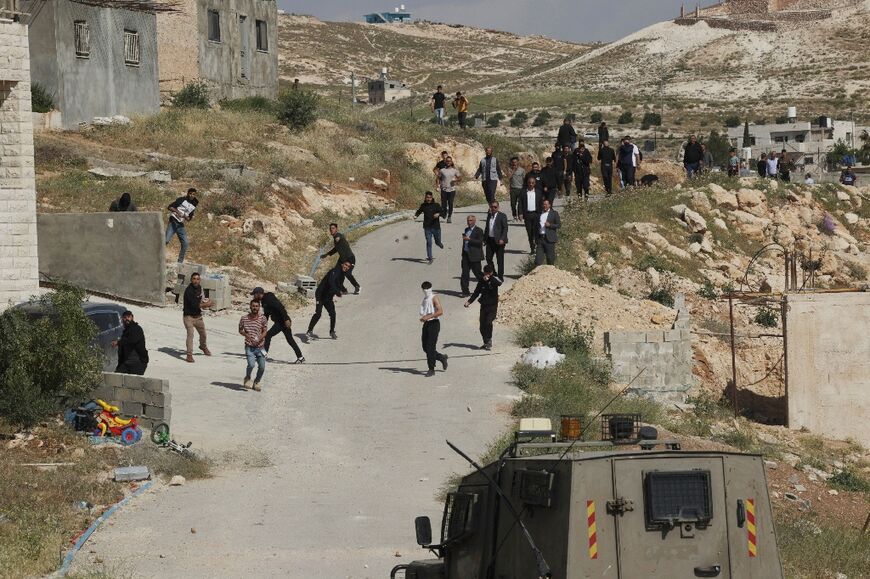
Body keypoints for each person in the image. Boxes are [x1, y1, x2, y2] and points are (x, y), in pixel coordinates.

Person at [251, 287, 305, 364]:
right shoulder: (263, 301)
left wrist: (286, 319)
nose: (253, 296)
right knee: (290, 340)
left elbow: (280, 307)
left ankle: (263, 355)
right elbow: (266, 314)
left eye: (254, 294)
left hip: (282, 321)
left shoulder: (269, 298)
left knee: (268, 335)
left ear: (259, 294)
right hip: (280, 321)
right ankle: (300, 357)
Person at [307, 261, 350, 339]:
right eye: (345, 265)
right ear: (342, 264)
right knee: (318, 313)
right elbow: (331, 282)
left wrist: (344, 290)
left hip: (328, 298)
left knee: (333, 314)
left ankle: (332, 332)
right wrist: (337, 292)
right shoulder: (334, 271)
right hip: (320, 295)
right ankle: (309, 331)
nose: (346, 267)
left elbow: (339, 284)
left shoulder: (342, 276)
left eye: (348, 267)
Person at [464, 264, 501, 350]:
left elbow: (500, 282)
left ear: (491, 272)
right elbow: (476, 292)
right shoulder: (481, 281)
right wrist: (469, 302)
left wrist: (490, 278)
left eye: (488, 273)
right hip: (484, 306)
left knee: (488, 322)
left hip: (492, 306)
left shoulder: (494, 279)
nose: (486, 274)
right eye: (485, 273)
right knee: (482, 325)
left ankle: (489, 340)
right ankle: (486, 342)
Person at [419, 281, 448, 377]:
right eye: (424, 289)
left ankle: (431, 369)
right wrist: (425, 318)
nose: (426, 291)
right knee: (425, 347)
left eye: (427, 289)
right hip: (427, 324)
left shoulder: (434, 298)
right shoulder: (425, 299)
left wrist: (428, 317)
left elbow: (440, 311)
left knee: (430, 347)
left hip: (434, 324)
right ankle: (441, 357)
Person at [239, 299, 268, 391]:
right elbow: (240, 330)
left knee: (262, 367)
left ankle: (257, 382)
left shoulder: (263, 318)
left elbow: (265, 331)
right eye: (253, 306)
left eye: (256, 306)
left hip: (260, 347)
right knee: (251, 365)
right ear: (250, 307)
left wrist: (260, 338)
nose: (255, 308)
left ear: (259, 307)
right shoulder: (244, 318)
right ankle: (247, 378)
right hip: (249, 347)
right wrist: (246, 335)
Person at [182, 272, 212, 363]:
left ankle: (203, 346)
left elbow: (202, 298)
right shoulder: (189, 291)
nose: (196, 281)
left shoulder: (200, 288)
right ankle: (189, 355)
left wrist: (207, 301)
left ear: (200, 280)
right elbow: (195, 305)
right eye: (194, 279)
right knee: (190, 335)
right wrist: (206, 305)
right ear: (191, 280)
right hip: (188, 317)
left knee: (203, 334)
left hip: (198, 317)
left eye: (197, 279)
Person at [165, 188, 199, 263]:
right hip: (173, 221)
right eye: (190, 193)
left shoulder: (194, 204)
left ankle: (180, 262)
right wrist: (177, 212)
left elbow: (189, 218)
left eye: (193, 194)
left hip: (180, 224)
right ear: (187, 193)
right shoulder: (182, 199)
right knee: (166, 240)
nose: (191, 195)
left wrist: (186, 217)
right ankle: (156, 254)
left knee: (185, 243)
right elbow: (170, 207)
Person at [325, 223, 360, 294]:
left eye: (333, 228)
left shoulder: (338, 236)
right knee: (335, 274)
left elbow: (339, 237)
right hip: (342, 260)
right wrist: (328, 254)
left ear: (337, 229)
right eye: (330, 228)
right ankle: (343, 290)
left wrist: (338, 238)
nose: (331, 230)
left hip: (350, 258)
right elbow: (336, 249)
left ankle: (357, 286)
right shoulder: (335, 239)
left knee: (347, 273)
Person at [112, 310, 148, 375]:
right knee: (116, 378)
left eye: (128, 317)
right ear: (122, 319)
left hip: (137, 362)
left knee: (134, 383)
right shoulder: (125, 331)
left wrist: (118, 342)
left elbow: (131, 340)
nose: (127, 319)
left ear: (132, 318)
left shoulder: (137, 329)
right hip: (125, 362)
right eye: (125, 317)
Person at [414, 191, 444, 264]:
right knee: (429, 242)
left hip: (436, 227)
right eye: (427, 197)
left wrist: (438, 214)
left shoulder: (436, 205)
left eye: (430, 197)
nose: (428, 199)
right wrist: (416, 215)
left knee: (437, 242)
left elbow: (443, 212)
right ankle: (430, 258)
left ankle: (439, 243)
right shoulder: (423, 205)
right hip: (427, 227)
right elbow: (419, 211)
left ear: (432, 197)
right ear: (425, 197)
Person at [460, 215, 484, 297]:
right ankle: (465, 291)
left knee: (478, 273)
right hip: (466, 255)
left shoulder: (479, 230)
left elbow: (480, 242)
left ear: (474, 221)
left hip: (475, 256)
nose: (469, 222)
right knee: (464, 274)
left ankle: (485, 287)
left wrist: (469, 239)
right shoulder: (466, 230)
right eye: (468, 220)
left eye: (470, 220)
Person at [484, 200, 508, 279]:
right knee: (488, 258)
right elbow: (487, 228)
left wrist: (502, 238)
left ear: (498, 207)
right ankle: (494, 274)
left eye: (495, 207)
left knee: (500, 260)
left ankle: (500, 277)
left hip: (499, 241)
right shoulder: (489, 215)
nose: (493, 208)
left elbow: (505, 228)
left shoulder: (502, 216)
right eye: (492, 207)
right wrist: (484, 239)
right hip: (490, 240)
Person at [519, 174, 543, 255]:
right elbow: (520, 204)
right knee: (529, 232)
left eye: (532, 183)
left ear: (535, 183)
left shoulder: (539, 192)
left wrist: (542, 214)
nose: (531, 184)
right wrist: (520, 213)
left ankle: (537, 247)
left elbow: (541, 204)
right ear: (527, 183)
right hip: (527, 215)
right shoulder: (523, 192)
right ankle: (532, 248)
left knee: (537, 232)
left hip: (536, 214)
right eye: (529, 183)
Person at [534, 198, 561, 266]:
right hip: (540, 239)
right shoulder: (539, 214)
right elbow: (535, 227)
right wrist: (535, 238)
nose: (544, 206)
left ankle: (550, 275)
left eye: (546, 204)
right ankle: (538, 274)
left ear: (549, 205)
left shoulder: (554, 213)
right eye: (543, 204)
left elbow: (559, 225)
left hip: (549, 239)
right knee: (538, 260)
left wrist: (550, 225)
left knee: (550, 259)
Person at [437, 156, 462, 223]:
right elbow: (438, 178)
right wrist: (438, 186)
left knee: (450, 203)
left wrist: (456, 180)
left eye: (449, 161)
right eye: (447, 161)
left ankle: (449, 217)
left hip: (452, 189)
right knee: (444, 204)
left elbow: (460, 178)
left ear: (451, 162)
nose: (448, 162)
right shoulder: (442, 170)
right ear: (445, 162)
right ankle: (444, 213)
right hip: (444, 189)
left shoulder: (455, 170)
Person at [506, 156, 526, 221]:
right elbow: (509, 177)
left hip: (520, 188)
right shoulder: (509, 169)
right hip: (513, 189)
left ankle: (520, 215)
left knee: (520, 204)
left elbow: (524, 179)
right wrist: (513, 170)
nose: (514, 163)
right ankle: (514, 216)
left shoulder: (522, 170)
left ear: (518, 162)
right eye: (513, 162)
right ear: (511, 163)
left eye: (515, 162)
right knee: (513, 204)